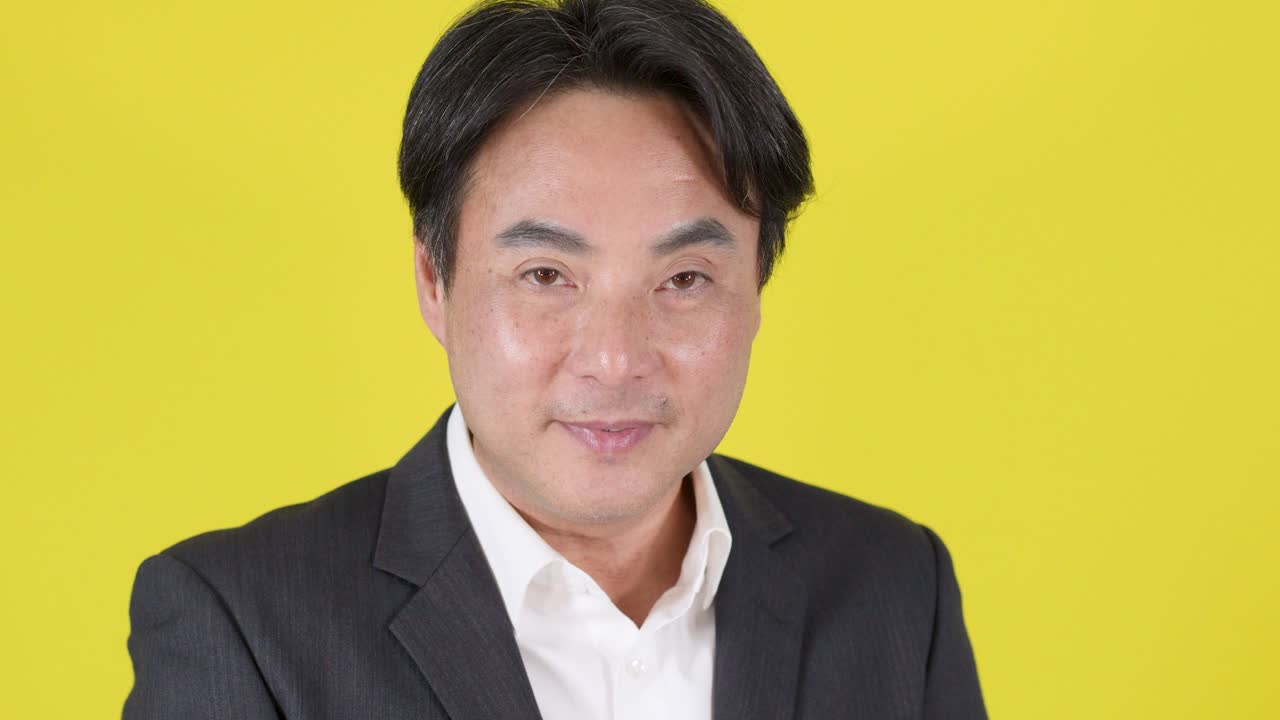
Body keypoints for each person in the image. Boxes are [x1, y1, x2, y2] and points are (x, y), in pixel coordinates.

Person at [122, 0, 987, 717]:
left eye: (684, 278)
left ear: (757, 287)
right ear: (434, 281)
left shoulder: (895, 590)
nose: (614, 361)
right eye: (545, 275)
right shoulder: (241, 625)